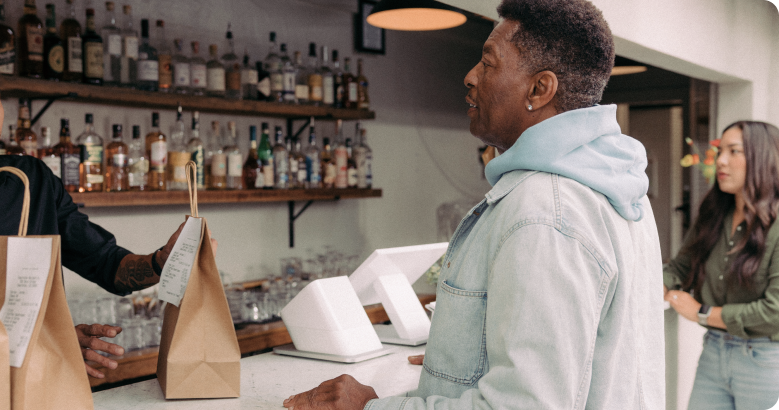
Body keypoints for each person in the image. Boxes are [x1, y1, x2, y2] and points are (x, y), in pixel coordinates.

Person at [282, 0, 665, 409]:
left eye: (488, 64)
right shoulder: (616, 187)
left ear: (540, 89)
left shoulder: (544, 211)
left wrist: (368, 408)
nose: (470, 77)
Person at [0, 34, 201, 379]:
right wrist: (43, 342)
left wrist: (164, 260)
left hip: (44, 389)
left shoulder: (32, 181)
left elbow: (106, 264)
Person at [664, 121, 779, 409]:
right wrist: (660, 285)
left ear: (763, 158)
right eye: (720, 151)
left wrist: (702, 312)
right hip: (714, 352)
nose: (721, 161)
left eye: (734, 151)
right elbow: (681, 266)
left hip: (767, 360)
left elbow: (775, 311)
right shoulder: (714, 212)